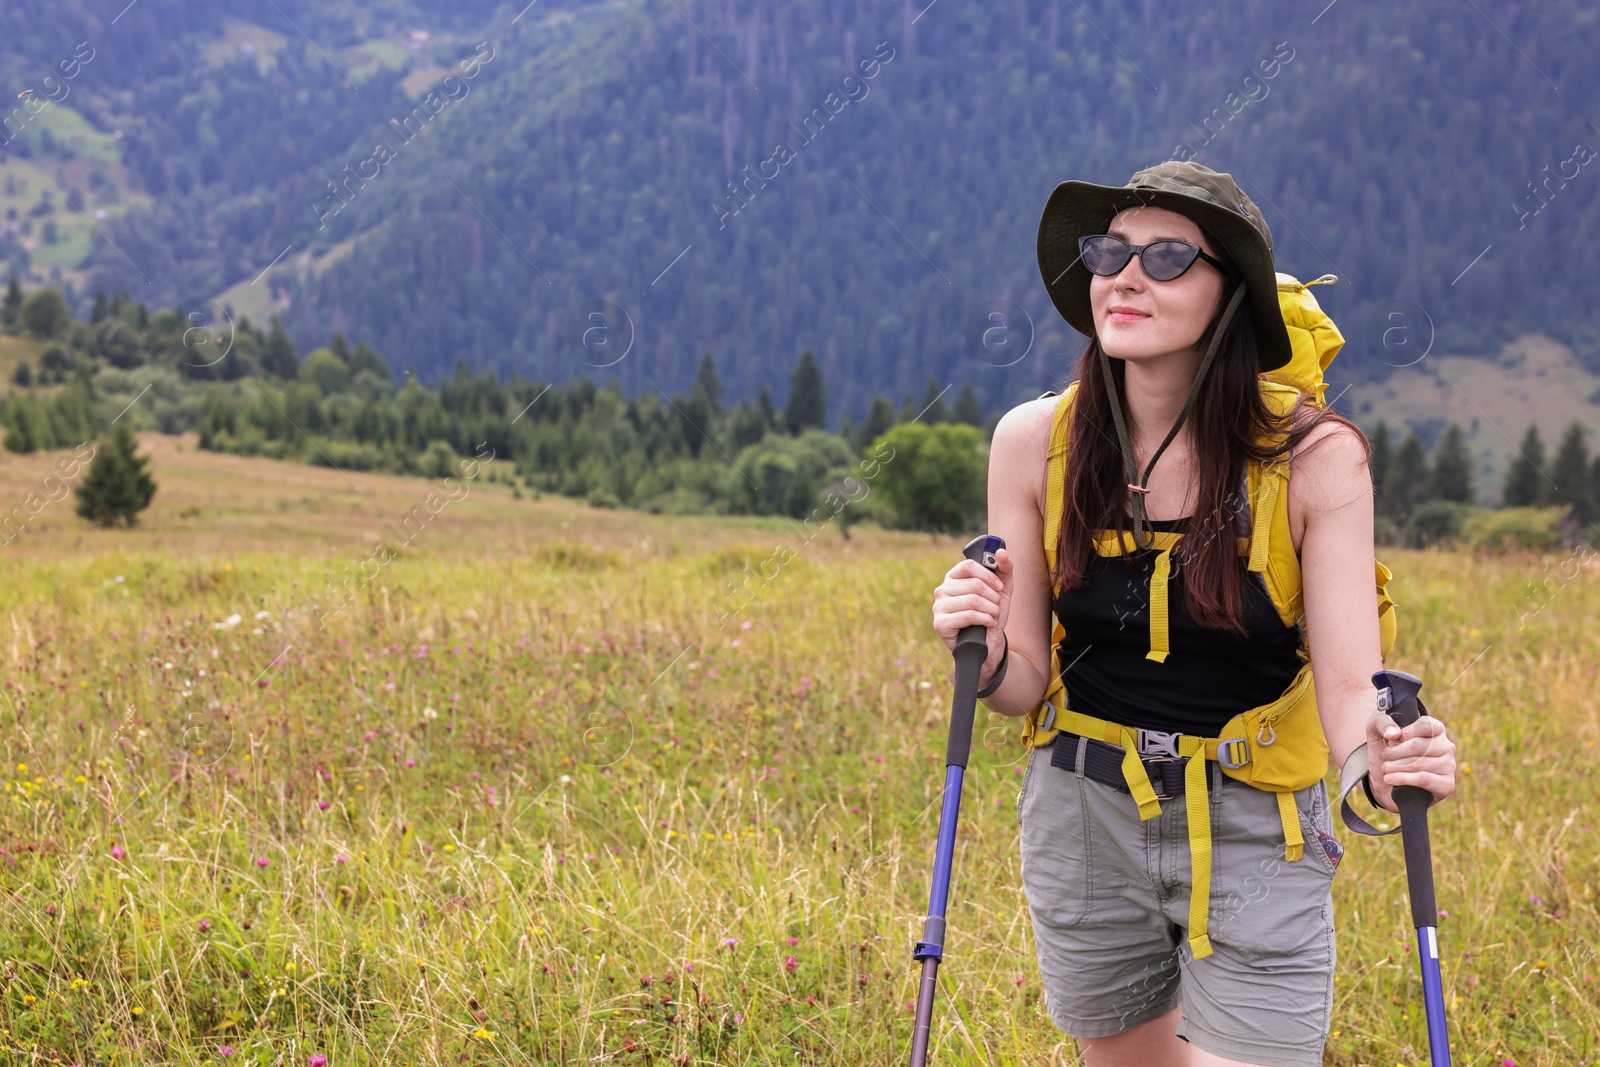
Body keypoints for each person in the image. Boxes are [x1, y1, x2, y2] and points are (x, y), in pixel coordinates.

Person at [929, 161, 1457, 1067]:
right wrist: (973, 642)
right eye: (1109, 252)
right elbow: (1021, 685)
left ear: (1232, 297)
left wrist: (1382, 764)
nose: (1124, 276)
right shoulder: (1033, 441)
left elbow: (1345, 687)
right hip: (1084, 812)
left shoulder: (1315, 460)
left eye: (1168, 257)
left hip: (1259, 822)